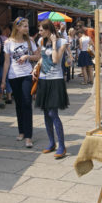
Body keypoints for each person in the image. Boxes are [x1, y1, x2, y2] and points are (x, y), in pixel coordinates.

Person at [33, 19, 69, 159]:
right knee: (46, 113)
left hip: (55, 80)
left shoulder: (61, 42)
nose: (39, 32)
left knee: (53, 113)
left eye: (41, 30)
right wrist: (36, 67)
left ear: (49, 30)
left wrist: (54, 43)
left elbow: (55, 60)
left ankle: (62, 145)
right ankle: (51, 143)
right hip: (43, 80)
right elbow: (43, 58)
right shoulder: (41, 41)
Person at [1, 17, 39, 148]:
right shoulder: (8, 43)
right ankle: (21, 131)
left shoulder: (30, 41)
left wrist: (27, 56)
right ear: (17, 27)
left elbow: (38, 56)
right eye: (24, 26)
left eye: (27, 26)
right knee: (19, 104)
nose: (27, 29)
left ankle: (29, 136)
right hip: (13, 75)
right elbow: (6, 62)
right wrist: (3, 81)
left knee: (27, 103)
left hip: (27, 74)